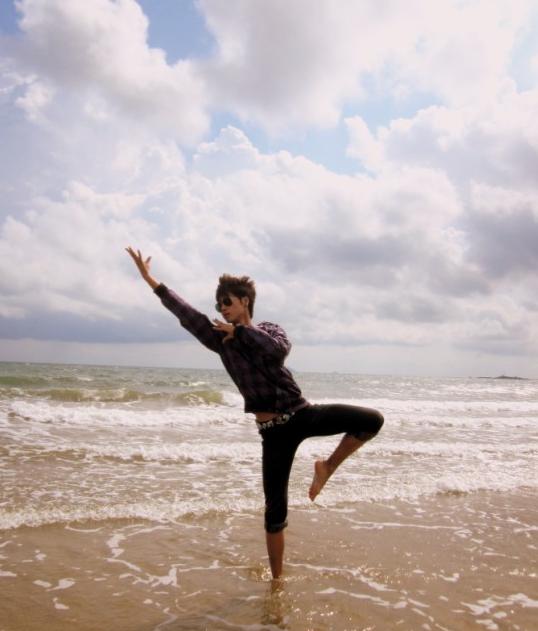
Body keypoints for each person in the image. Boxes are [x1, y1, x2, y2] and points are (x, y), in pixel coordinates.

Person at [126, 247, 384, 580]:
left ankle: (327, 466)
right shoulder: (221, 341)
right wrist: (151, 280)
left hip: (302, 414)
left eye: (228, 302)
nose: (222, 309)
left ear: (245, 301)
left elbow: (277, 352)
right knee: (274, 512)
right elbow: (187, 314)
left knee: (372, 421)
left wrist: (242, 332)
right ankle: (278, 581)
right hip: (273, 434)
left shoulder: (270, 330)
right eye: (219, 304)